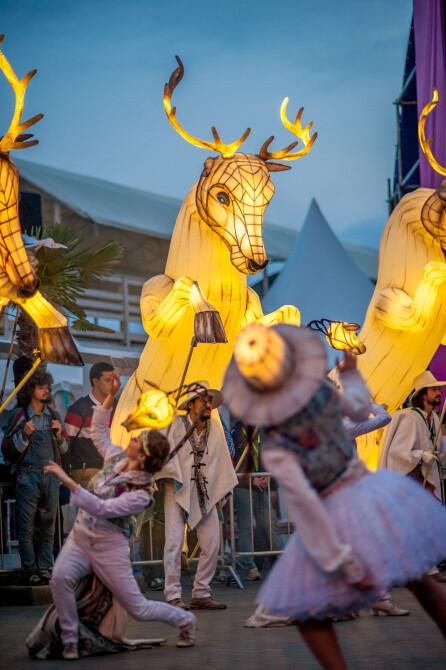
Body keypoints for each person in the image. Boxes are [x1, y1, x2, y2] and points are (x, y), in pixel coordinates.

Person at [222, 323, 446, 670]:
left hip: (345, 504)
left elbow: (355, 414)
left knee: (312, 611)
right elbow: (358, 409)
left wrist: (351, 373)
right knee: (412, 574)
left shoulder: (293, 422)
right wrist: (352, 375)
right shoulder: (302, 416)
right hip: (357, 500)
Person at [29, 373, 195, 660]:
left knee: (138, 608)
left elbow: (102, 508)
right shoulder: (116, 456)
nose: (132, 436)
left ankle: (187, 621)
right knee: (60, 579)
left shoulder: (142, 493)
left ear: (142, 457)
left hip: (109, 549)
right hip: (80, 539)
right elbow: (99, 433)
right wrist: (109, 398)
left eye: (139, 439)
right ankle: (70, 639)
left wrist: (66, 479)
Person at [158, 380, 237, 610]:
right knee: (173, 542)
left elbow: (221, 462)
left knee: (212, 542)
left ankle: (201, 592)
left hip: (204, 491)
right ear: (191, 404)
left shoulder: (216, 430)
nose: (208, 404)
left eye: (210, 400)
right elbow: (166, 457)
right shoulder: (174, 426)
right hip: (177, 488)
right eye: (204, 400)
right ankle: (173, 594)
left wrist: (216, 489)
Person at [4, 361, 68, 585]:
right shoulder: (19, 417)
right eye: (41, 387)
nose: (46, 390)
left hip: (50, 477)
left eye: (47, 386)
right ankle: (29, 570)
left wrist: (60, 436)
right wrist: (24, 436)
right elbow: (7, 451)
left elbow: (66, 449)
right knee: (27, 527)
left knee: (48, 526)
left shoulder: (54, 416)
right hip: (27, 476)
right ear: (30, 390)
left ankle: (44, 569)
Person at [231, 421, 283, 581]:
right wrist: (250, 480)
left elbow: (270, 459)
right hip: (243, 487)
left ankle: (284, 565)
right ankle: (250, 567)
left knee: (270, 524)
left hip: (262, 488)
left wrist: (271, 483)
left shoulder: (262, 430)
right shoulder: (235, 433)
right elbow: (232, 465)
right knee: (246, 528)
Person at [65, 362, 115, 488]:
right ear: (95, 381)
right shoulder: (78, 408)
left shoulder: (118, 408)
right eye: (108, 380)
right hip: (87, 468)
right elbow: (66, 443)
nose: (112, 384)